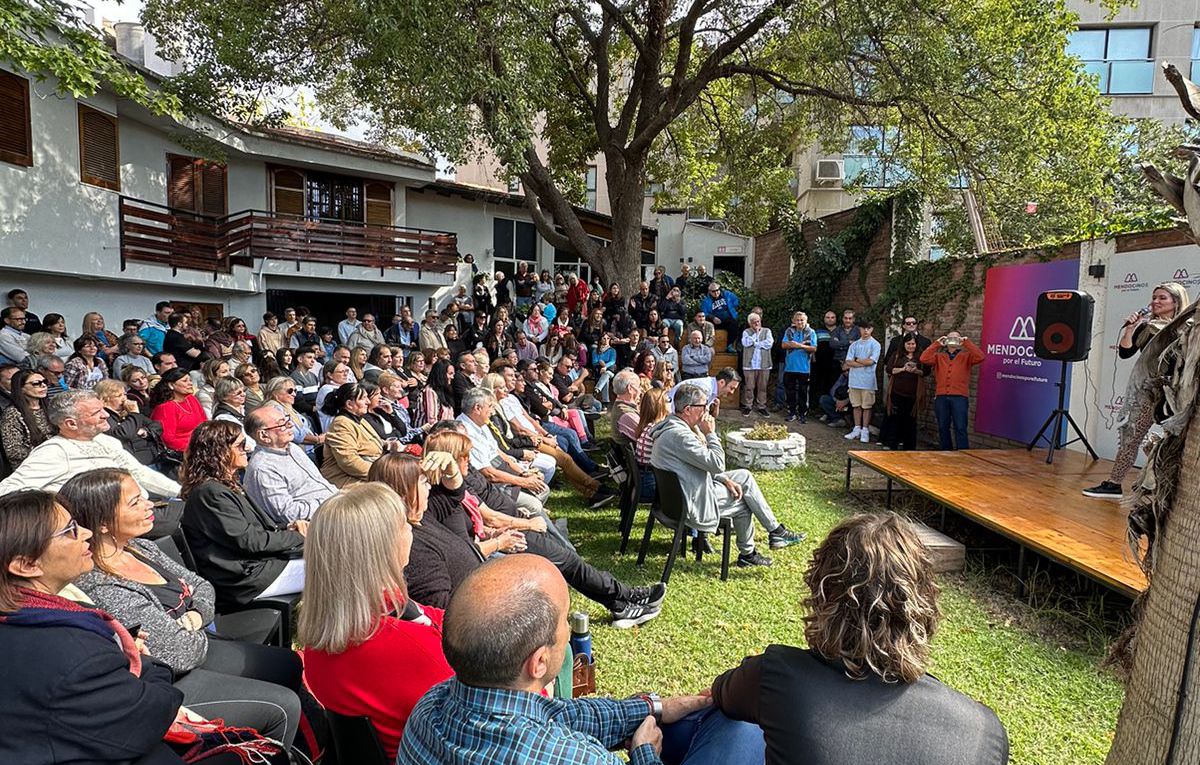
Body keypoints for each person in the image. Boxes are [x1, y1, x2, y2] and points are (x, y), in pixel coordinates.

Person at [399, 554, 761, 765]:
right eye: (564, 620)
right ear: (538, 662)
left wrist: (656, 706)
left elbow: (556, 715)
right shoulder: (576, 759)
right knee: (743, 729)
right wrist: (645, 755)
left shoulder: (429, 707)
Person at [711, 513, 1008, 765]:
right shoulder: (984, 732)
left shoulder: (779, 676)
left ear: (823, 593)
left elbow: (719, 695)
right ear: (925, 600)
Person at [61, 469, 304, 746]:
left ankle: (303, 744)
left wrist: (196, 616)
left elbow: (202, 585)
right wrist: (194, 622)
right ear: (103, 523)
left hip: (195, 643)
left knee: (288, 663)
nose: (149, 504)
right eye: (135, 502)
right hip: (171, 680)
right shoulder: (102, 585)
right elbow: (178, 654)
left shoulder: (140, 547)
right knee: (283, 705)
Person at [0, 490, 190, 765]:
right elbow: (151, 712)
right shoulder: (73, 652)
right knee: (275, 708)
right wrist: (144, 660)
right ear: (26, 565)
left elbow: (202, 589)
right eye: (70, 531)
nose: (87, 533)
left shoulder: (35, 615)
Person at [300, 482, 455, 760]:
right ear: (382, 548)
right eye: (403, 524)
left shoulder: (322, 637)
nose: (411, 530)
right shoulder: (412, 649)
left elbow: (430, 616)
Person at [650, 384, 804, 568]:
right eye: (702, 406)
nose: (706, 410)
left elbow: (698, 466)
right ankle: (749, 553)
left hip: (678, 497)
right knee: (743, 502)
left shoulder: (669, 427)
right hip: (692, 502)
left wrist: (725, 479)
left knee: (744, 476)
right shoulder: (681, 436)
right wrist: (710, 433)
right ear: (688, 409)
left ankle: (775, 531)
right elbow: (717, 464)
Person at [181, 421, 306, 608]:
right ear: (219, 452)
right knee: (335, 567)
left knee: (333, 555)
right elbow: (250, 541)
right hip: (244, 579)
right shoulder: (210, 492)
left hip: (258, 566)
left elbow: (255, 529)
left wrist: (288, 527)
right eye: (240, 445)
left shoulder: (226, 485)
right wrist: (299, 536)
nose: (247, 448)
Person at [1084, 281, 1190, 499]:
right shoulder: (1146, 327)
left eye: (1162, 298)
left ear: (1176, 301)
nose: (1155, 302)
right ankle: (1114, 484)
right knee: (1131, 437)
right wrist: (1131, 327)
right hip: (1148, 392)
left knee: (1174, 440)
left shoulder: (1186, 329)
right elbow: (1125, 352)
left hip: (1176, 393)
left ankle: (1163, 487)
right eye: (1154, 297)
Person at [0, 390, 180, 496]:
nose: (106, 415)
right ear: (71, 423)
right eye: (96, 413)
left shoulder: (107, 441)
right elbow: (8, 490)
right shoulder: (55, 451)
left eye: (103, 409)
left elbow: (141, 474)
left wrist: (181, 493)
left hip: (144, 508)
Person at [919, 330, 985, 451]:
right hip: (941, 397)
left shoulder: (966, 356)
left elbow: (981, 357)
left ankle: (963, 452)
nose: (953, 340)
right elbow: (923, 358)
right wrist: (937, 344)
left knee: (960, 427)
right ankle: (946, 451)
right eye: (950, 338)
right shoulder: (939, 356)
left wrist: (966, 343)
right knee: (943, 426)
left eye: (956, 338)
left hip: (959, 397)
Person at [96, 379, 171, 471]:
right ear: (104, 399)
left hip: (156, 457)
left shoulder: (127, 412)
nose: (124, 399)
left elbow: (156, 425)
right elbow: (123, 434)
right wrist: (134, 414)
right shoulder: (104, 417)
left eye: (124, 394)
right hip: (136, 465)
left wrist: (145, 432)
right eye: (119, 396)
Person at [883, 333, 928, 451]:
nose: (911, 346)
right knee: (895, 419)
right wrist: (903, 369)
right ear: (904, 344)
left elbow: (926, 372)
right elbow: (889, 369)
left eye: (913, 344)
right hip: (897, 392)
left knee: (911, 421)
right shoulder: (897, 355)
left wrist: (915, 370)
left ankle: (909, 446)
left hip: (913, 394)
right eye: (908, 344)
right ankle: (892, 444)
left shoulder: (921, 356)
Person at [264, 375, 324, 457]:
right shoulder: (275, 409)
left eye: (295, 391)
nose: (294, 394)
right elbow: (294, 435)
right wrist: (318, 439)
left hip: (307, 450)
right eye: (290, 391)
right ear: (275, 393)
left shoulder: (286, 406)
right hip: (296, 454)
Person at [150, 368, 208, 452]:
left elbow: (205, 423)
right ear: (171, 385)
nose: (190, 383)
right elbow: (168, 440)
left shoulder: (191, 399)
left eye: (190, 380)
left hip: (202, 445)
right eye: (185, 381)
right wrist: (195, 448)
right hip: (184, 452)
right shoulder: (166, 408)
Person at [842, 319, 881, 445]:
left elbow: (871, 361)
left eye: (868, 328)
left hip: (868, 381)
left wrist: (857, 360)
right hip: (854, 381)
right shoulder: (854, 345)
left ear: (872, 329)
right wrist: (861, 362)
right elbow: (848, 362)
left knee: (867, 406)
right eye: (863, 328)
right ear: (859, 329)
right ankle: (857, 428)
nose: (865, 331)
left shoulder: (875, 344)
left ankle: (865, 430)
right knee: (856, 406)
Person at [1, 368, 51, 465]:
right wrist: (47, 454)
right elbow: (14, 451)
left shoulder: (50, 407)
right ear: (21, 388)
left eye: (45, 381)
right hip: (30, 465)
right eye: (36, 383)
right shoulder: (12, 414)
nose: (43, 385)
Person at [779, 311, 817, 423]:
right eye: (797, 320)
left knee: (803, 392)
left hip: (804, 368)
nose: (800, 322)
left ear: (806, 321)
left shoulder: (811, 332)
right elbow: (784, 345)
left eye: (802, 320)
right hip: (790, 367)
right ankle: (791, 412)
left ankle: (802, 414)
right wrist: (804, 345)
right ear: (793, 321)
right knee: (790, 392)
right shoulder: (789, 331)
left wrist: (797, 345)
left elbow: (814, 348)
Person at [739, 313, 773, 416]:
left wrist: (756, 343)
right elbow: (746, 343)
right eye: (754, 322)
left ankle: (761, 406)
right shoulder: (746, 332)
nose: (756, 324)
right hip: (749, 365)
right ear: (750, 323)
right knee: (749, 386)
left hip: (764, 364)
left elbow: (769, 343)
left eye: (758, 321)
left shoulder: (767, 331)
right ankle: (748, 406)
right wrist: (756, 334)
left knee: (762, 386)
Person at [667, 367, 740, 414]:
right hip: (672, 415)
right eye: (731, 388)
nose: (732, 392)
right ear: (721, 382)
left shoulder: (712, 388)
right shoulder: (705, 388)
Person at [211, 378, 254, 450]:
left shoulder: (243, 409)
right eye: (238, 393)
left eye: (244, 391)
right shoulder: (224, 418)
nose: (243, 394)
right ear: (225, 396)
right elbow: (242, 443)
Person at [700, 282, 740, 351]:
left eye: (717, 290)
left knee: (734, 324)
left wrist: (734, 308)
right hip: (715, 321)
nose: (716, 292)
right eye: (713, 291)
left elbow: (737, 301)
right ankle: (707, 346)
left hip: (727, 319)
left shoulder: (727, 294)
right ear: (709, 292)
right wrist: (713, 318)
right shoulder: (706, 301)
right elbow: (704, 312)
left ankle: (729, 345)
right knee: (708, 326)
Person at [827, 309, 860, 388]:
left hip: (853, 364)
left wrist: (840, 344)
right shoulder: (836, 330)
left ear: (853, 319)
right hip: (838, 362)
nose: (847, 320)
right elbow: (832, 344)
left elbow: (858, 347)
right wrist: (849, 342)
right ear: (842, 319)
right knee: (835, 388)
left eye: (850, 318)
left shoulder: (858, 331)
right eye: (845, 318)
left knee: (850, 389)